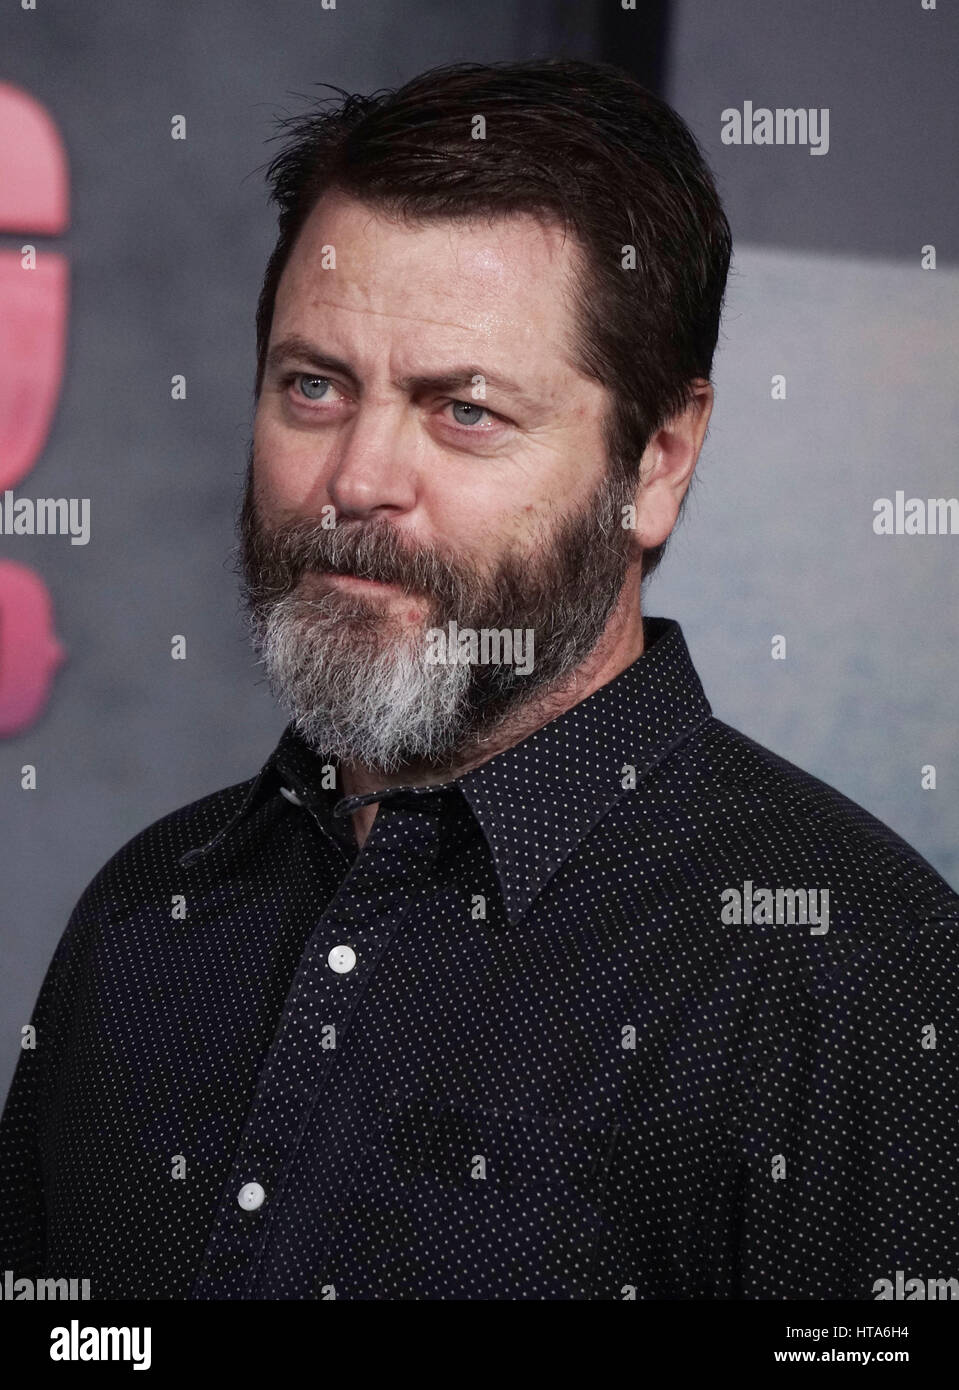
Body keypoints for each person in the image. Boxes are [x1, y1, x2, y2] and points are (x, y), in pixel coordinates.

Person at [1, 59, 956, 1301]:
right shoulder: (148, 914)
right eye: (314, 386)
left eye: (462, 411)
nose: (357, 479)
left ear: (655, 463)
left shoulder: (858, 977)